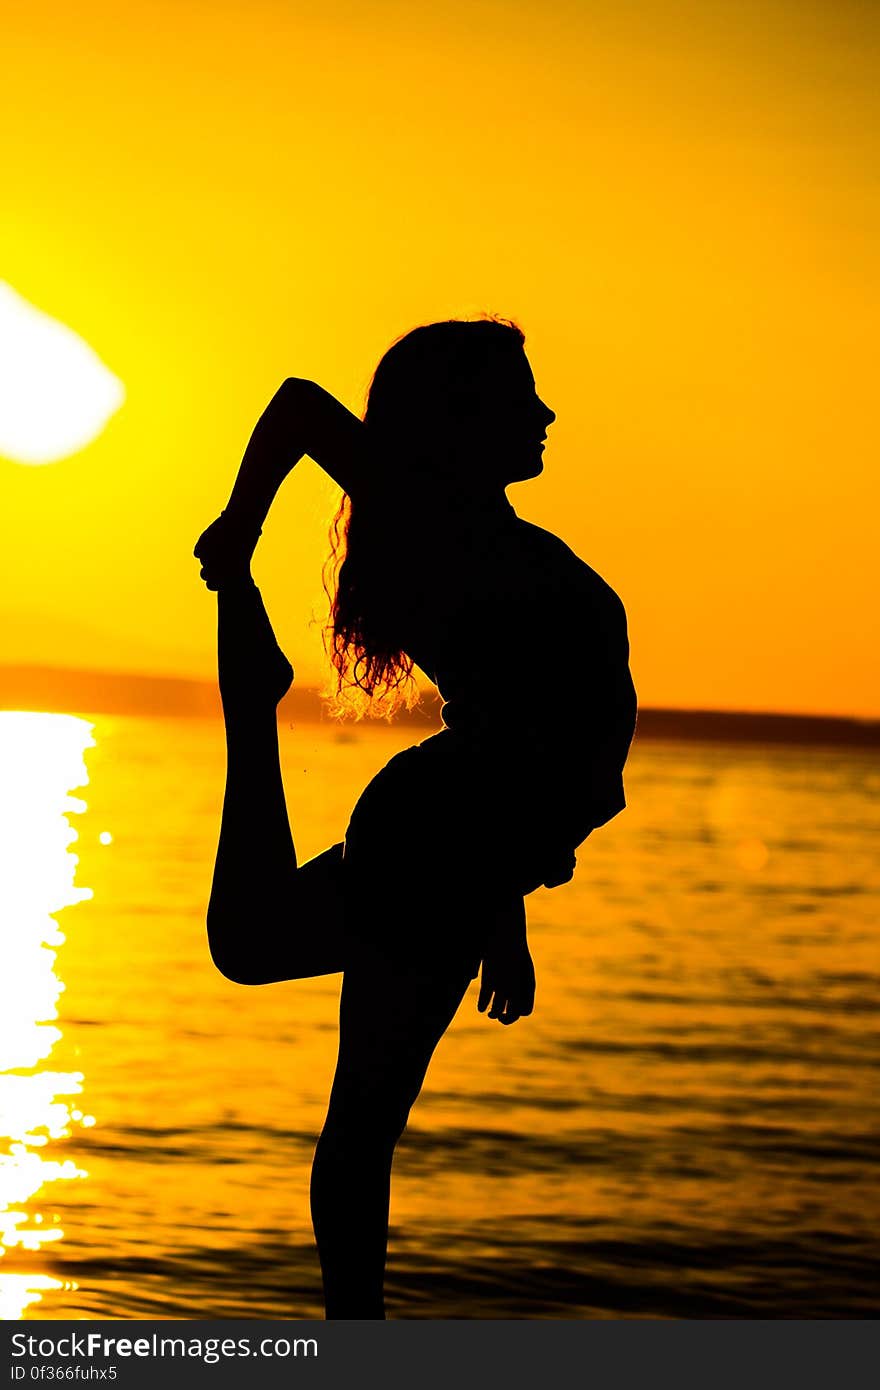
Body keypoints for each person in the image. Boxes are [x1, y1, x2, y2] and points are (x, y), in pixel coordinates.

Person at [193, 316, 637, 1319]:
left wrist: (506, 899)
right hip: (444, 833)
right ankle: (358, 1344)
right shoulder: (431, 510)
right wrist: (239, 526)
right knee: (352, 1113)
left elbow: (511, 739)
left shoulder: (457, 523)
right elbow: (303, 404)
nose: (544, 413)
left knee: (255, 949)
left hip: (459, 825)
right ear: (462, 415)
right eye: (521, 397)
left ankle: (253, 703)